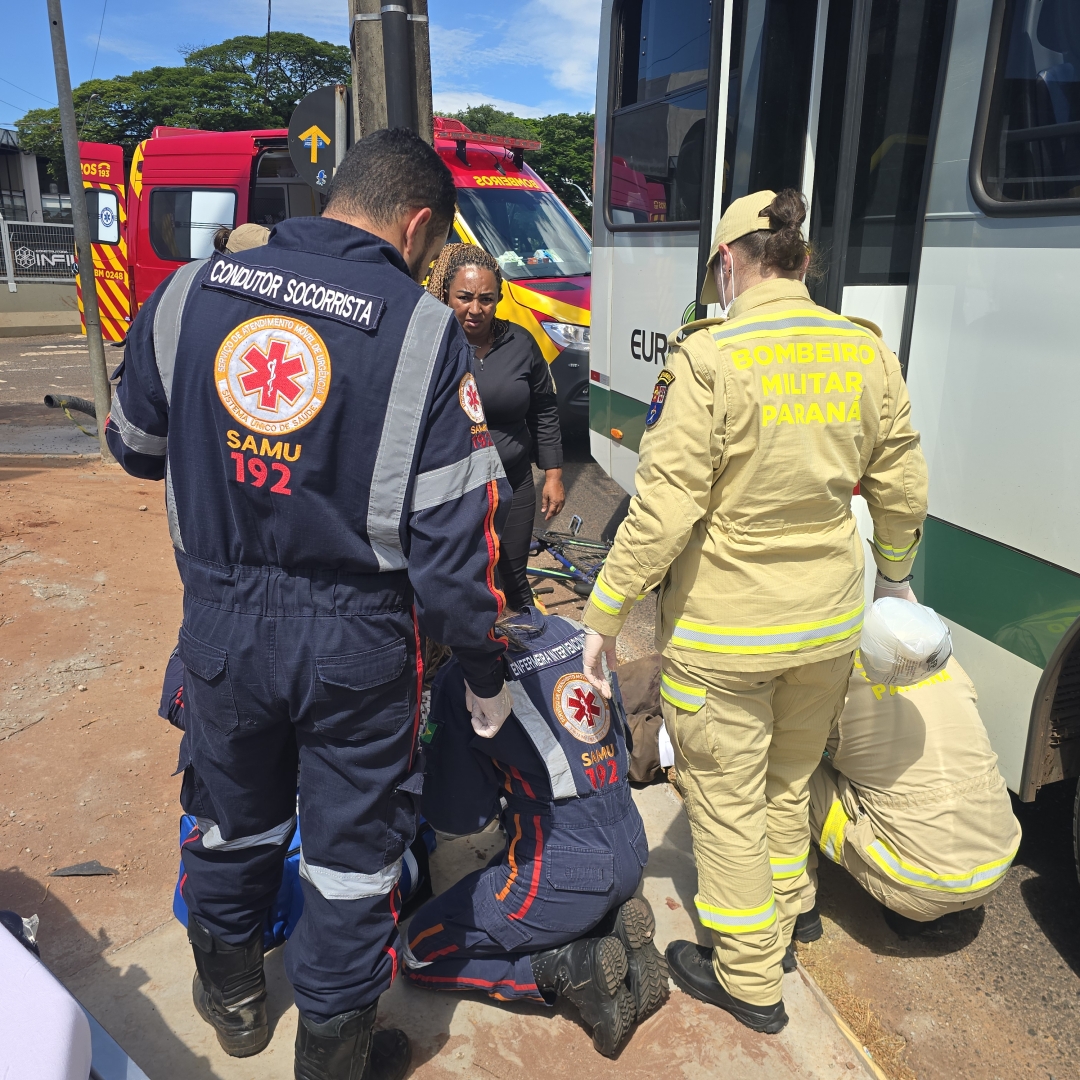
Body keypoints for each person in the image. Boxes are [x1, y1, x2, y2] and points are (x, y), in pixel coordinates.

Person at [105, 129, 515, 1080]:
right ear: (417, 225)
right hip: (359, 641)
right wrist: (485, 671)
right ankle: (331, 1051)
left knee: (229, 817)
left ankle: (236, 1004)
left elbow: (133, 446)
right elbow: (457, 556)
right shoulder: (422, 335)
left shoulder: (185, 296)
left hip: (218, 622)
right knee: (352, 854)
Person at [580, 189, 928, 1034]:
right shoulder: (865, 353)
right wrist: (893, 576)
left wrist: (602, 614)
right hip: (828, 623)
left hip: (726, 632)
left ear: (730, 262)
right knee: (789, 777)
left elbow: (663, 511)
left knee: (726, 799)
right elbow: (903, 484)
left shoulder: (709, 359)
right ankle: (794, 910)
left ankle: (747, 977)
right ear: (803, 261)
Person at [404, 607, 665, 1057]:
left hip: (560, 877)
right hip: (632, 843)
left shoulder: (463, 677)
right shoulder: (572, 628)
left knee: (417, 951)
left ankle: (563, 968)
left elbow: (459, 818)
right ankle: (608, 922)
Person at [798, 654, 1021, 942]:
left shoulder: (831, 672)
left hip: (917, 885)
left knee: (781, 765)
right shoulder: (942, 658)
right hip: (995, 866)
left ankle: (801, 909)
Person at [426, 244, 564, 610]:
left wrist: (552, 473)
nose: (475, 309)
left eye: (486, 299)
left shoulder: (520, 343)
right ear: (446, 295)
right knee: (463, 578)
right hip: (454, 490)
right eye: (464, 297)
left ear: (500, 298)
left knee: (513, 575)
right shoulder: (430, 345)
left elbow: (544, 408)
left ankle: (519, 656)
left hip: (514, 482)